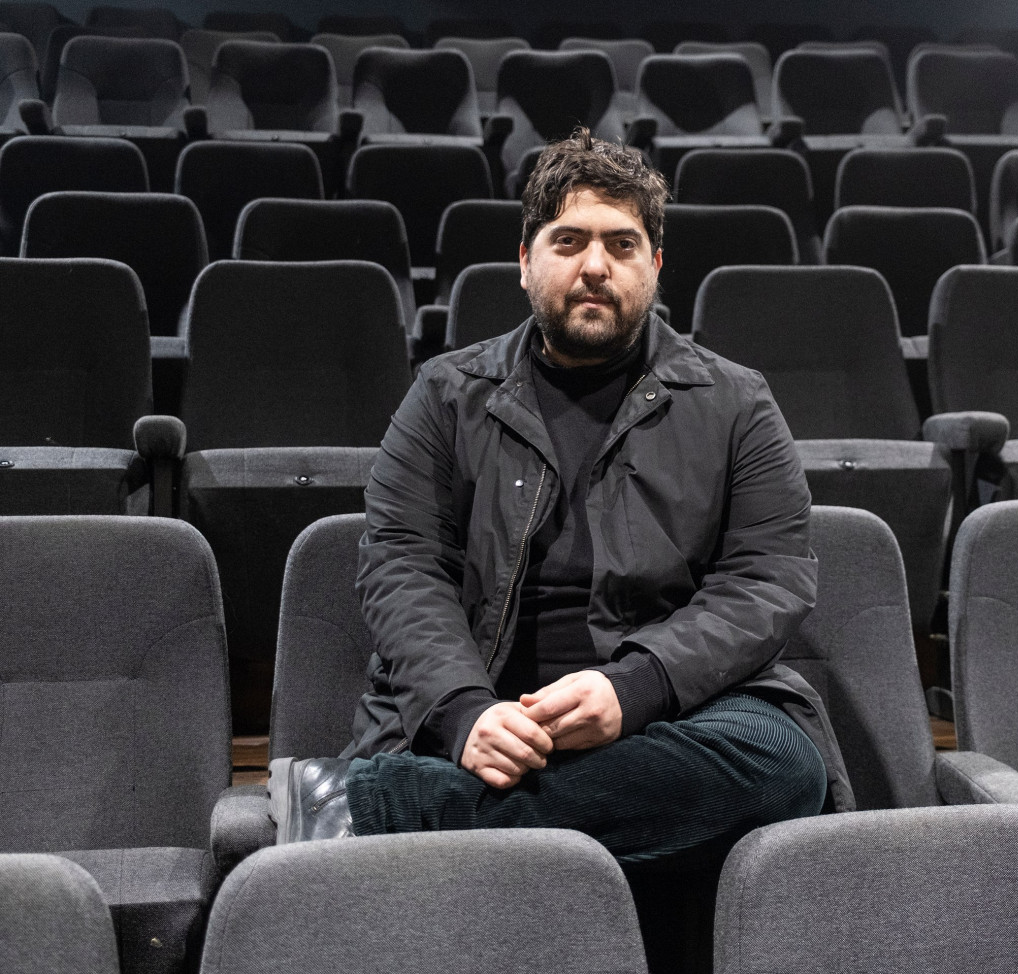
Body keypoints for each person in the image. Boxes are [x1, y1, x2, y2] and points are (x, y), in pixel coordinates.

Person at [268, 128, 853, 859]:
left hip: (671, 711)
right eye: (569, 241)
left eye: (622, 244)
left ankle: (373, 806)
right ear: (525, 261)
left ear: (655, 265)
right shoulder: (444, 396)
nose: (595, 266)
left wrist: (635, 688)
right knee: (729, 794)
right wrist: (463, 711)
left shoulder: (737, 403)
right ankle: (579, 812)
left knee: (781, 761)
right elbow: (401, 567)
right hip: (487, 703)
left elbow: (767, 580)